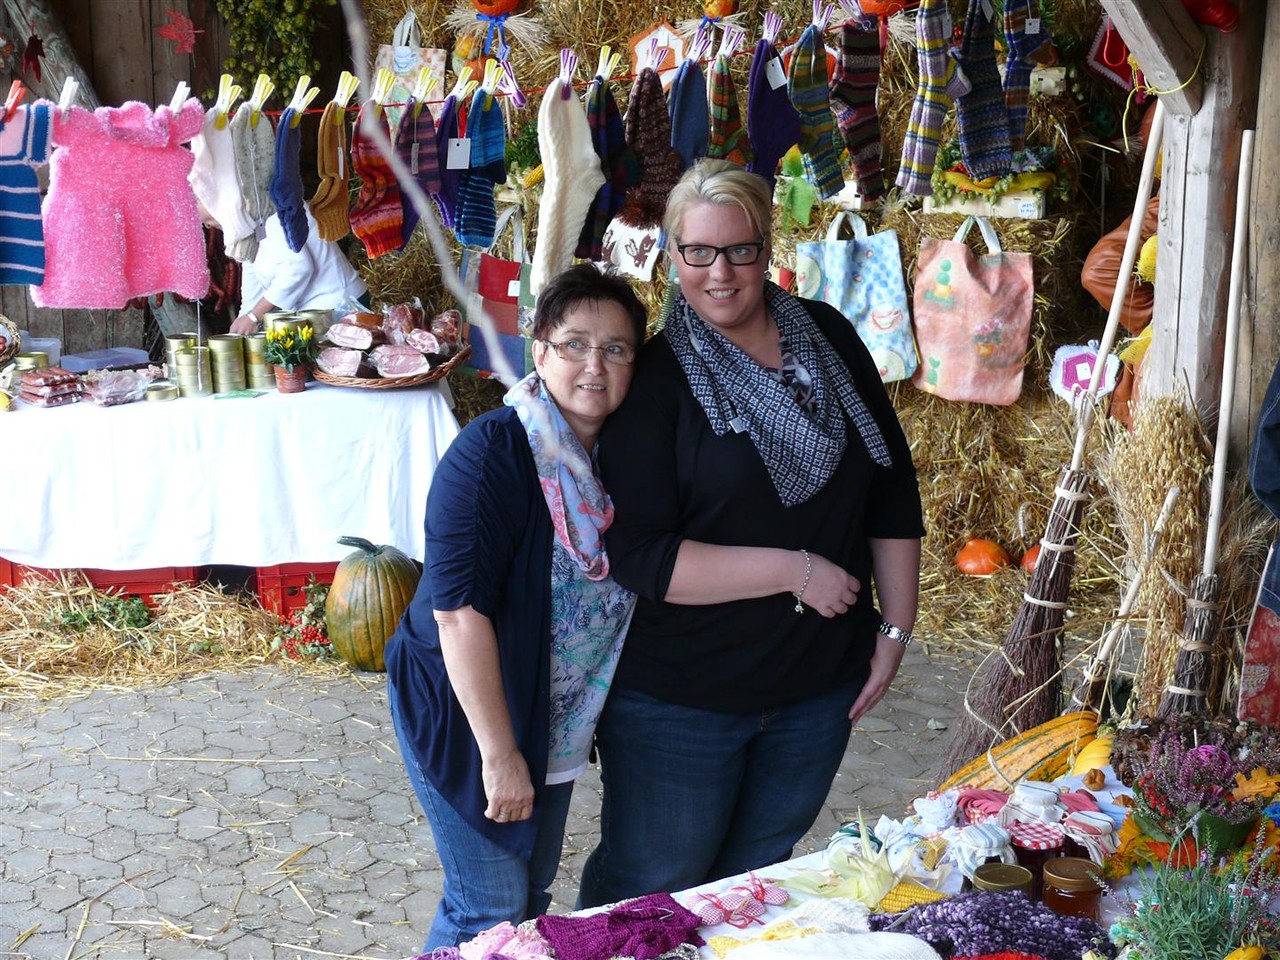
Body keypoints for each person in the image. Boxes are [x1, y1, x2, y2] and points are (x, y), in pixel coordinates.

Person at [578, 159, 925, 907]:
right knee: (653, 887)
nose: (720, 273)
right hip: (684, 701)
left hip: (816, 689)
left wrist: (896, 629)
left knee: (755, 885)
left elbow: (890, 482)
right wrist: (796, 570)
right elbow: (641, 555)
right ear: (671, 254)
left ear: (768, 248)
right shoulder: (657, 382)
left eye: (741, 249)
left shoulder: (827, 337)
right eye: (698, 251)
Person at [384, 263, 647, 948]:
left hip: (551, 717)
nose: (595, 365)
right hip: (470, 710)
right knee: (489, 906)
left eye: (616, 348)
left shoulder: (620, 457)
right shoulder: (494, 451)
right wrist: (500, 756)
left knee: (528, 894)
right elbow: (456, 614)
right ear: (540, 351)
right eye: (574, 344)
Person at [229, 204, 369, 334]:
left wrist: (254, 316)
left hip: (341, 307)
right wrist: (241, 326)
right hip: (311, 315)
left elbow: (298, 268)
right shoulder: (247, 235)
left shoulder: (274, 213)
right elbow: (252, 291)